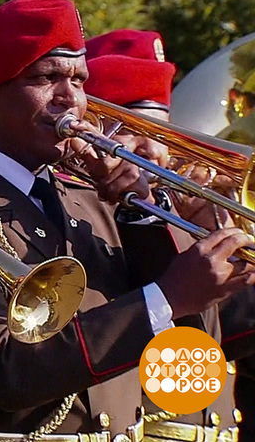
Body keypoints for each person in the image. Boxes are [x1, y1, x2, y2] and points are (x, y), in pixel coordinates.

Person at [0, 0, 255, 440]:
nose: (71, 98)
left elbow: (185, 354)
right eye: (47, 78)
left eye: (79, 80)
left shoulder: (91, 199)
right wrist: (167, 296)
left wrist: (143, 217)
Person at [85, 28, 255, 441]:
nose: (154, 150)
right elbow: (176, 369)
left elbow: (232, 339)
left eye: (162, 133)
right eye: (132, 129)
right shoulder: (88, 216)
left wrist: (218, 236)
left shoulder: (179, 210)